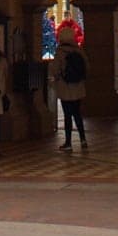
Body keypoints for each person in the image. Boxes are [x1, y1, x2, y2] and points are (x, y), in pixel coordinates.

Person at [51, 21, 89, 149]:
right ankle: (83, 139)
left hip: (65, 87)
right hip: (78, 87)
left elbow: (55, 70)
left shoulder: (60, 52)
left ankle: (68, 142)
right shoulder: (79, 51)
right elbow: (87, 67)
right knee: (77, 113)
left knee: (67, 115)